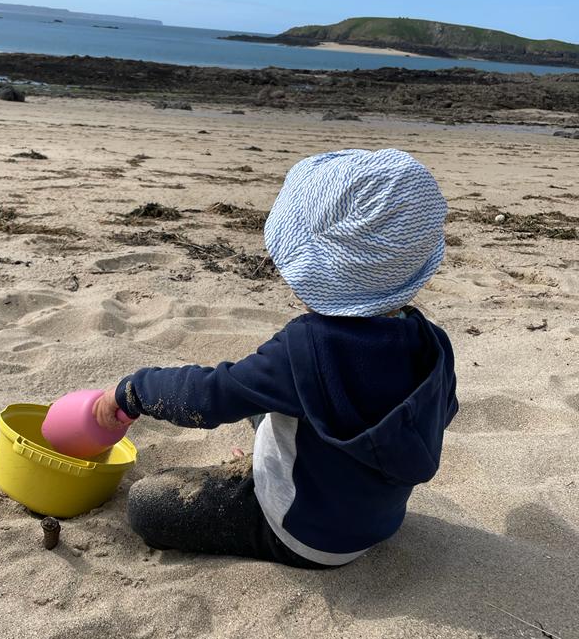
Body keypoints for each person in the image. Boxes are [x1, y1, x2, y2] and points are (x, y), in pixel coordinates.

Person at [93, 148, 458, 569]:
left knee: (147, 504)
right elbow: (441, 413)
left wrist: (130, 392)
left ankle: (264, 497)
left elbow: (212, 396)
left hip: (300, 531)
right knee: (277, 398)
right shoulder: (432, 342)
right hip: (378, 518)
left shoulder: (306, 348)